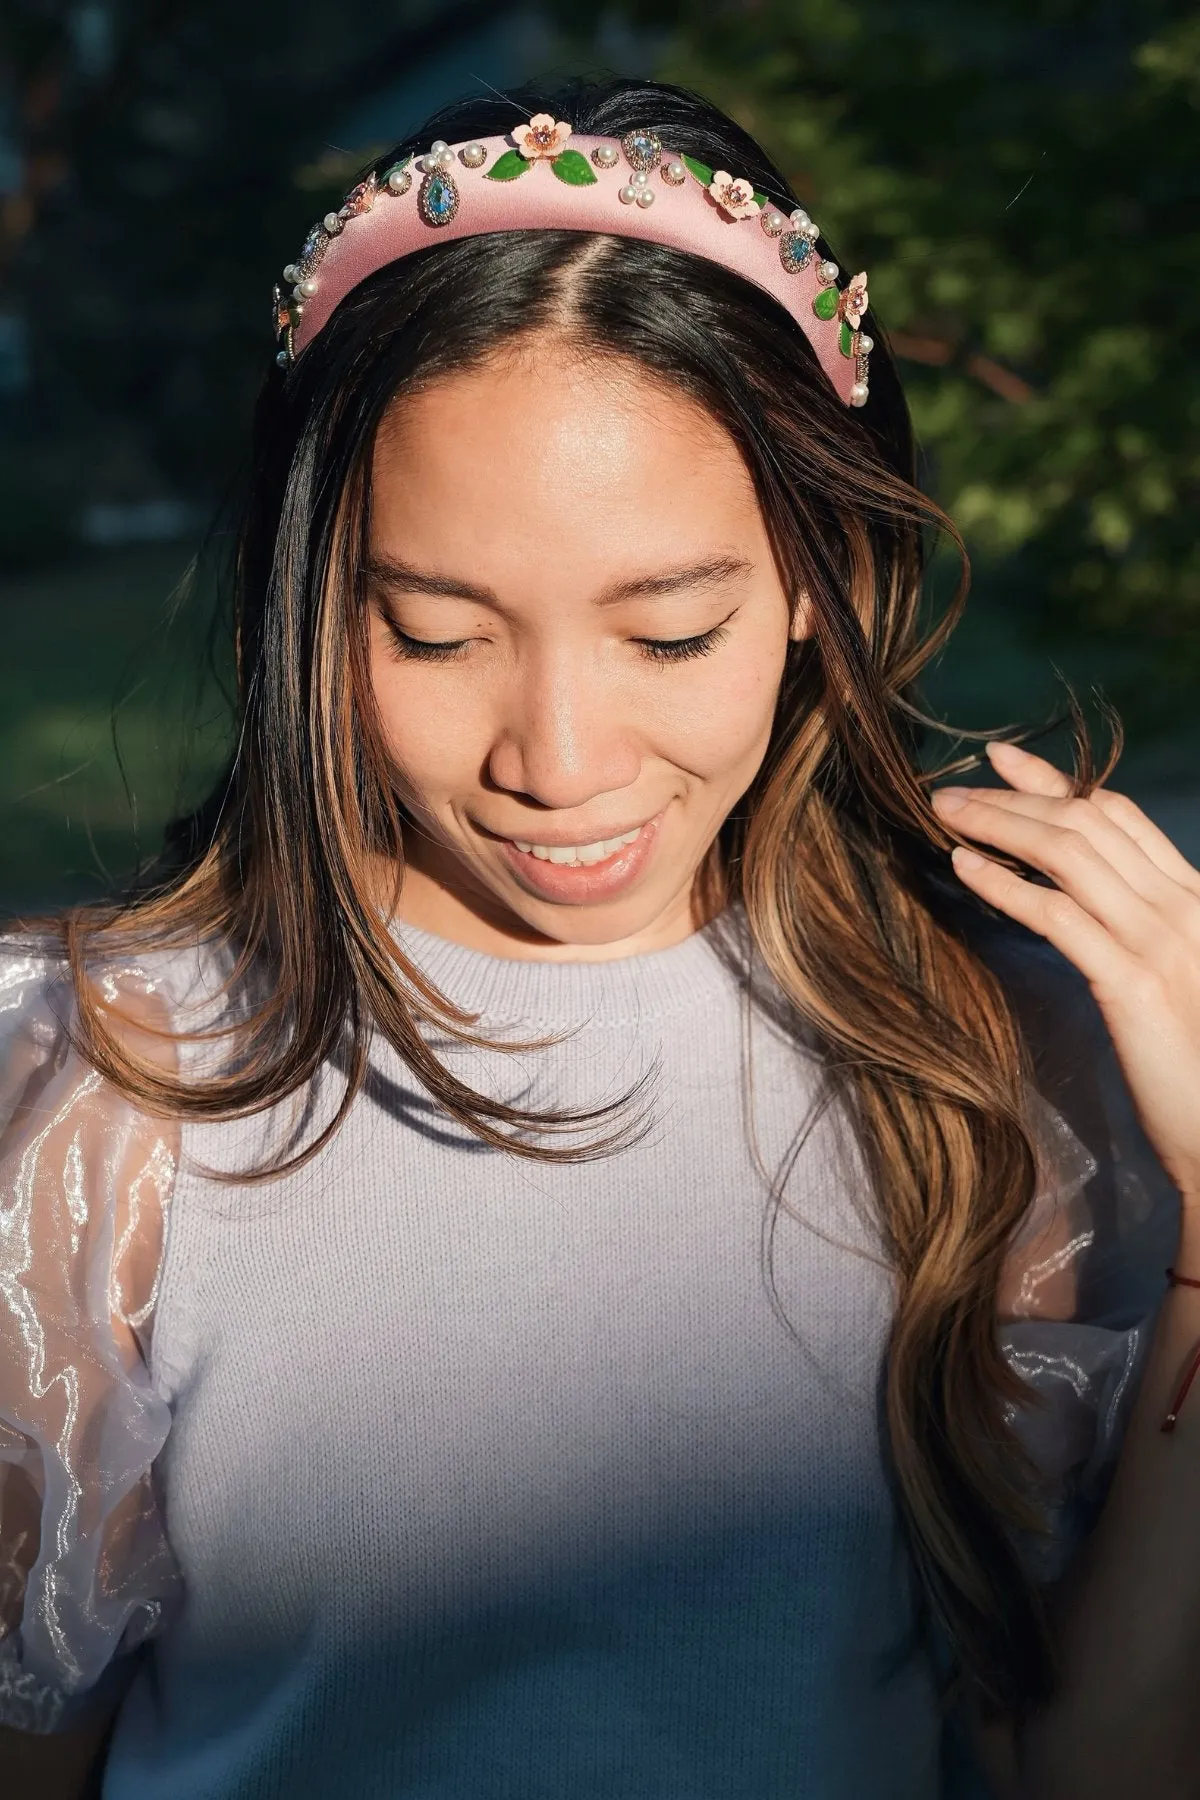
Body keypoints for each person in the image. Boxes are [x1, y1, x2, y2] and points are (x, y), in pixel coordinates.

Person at [2, 74, 1198, 1800]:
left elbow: (1095, 1770)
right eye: (430, 635)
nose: (558, 767)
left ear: (821, 582)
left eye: (671, 634)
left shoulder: (983, 1088)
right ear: (305, 601)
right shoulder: (114, 1100)